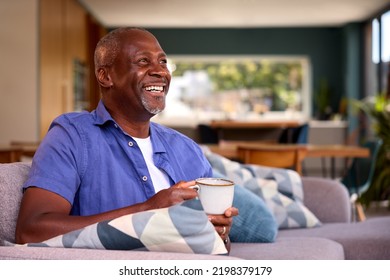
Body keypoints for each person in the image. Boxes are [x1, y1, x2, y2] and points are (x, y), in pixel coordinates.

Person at [15, 27, 238, 251]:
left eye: (162, 62)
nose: (160, 71)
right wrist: (147, 210)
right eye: (143, 61)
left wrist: (220, 232)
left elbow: (218, 246)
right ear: (105, 76)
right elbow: (30, 230)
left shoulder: (188, 150)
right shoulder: (72, 136)